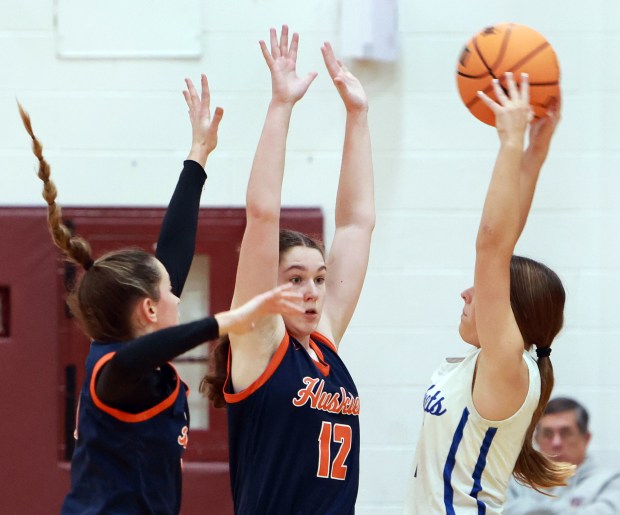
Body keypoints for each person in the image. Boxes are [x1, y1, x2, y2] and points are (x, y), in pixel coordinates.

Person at [19, 75, 304, 515]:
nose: (177, 293)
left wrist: (199, 154)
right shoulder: (114, 373)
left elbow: (172, 251)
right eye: (170, 290)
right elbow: (143, 353)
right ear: (150, 309)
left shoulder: (129, 356)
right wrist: (232, 319)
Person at [201, 26, 374, 514]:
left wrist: (357, 117)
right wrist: (281, 105)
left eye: (319, 278)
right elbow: (262, 213)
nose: (313, 290)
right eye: (294, 278)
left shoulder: (324, 342)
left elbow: (357, 224)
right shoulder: (260, 343)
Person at [403, 74, 574, 514]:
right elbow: (504, 241)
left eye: (481, 289)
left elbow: (493, 245)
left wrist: (510, 141)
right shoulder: (497, 364)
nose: (467, 292)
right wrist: (535, 151)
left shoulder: (508, 366)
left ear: (508, 315)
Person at [505, 397, 620, 514]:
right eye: (547, 434)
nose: (556, 443)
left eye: (566, 433)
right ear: (536, 440)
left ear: (586, 438)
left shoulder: (610, 483)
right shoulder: (518, 482)